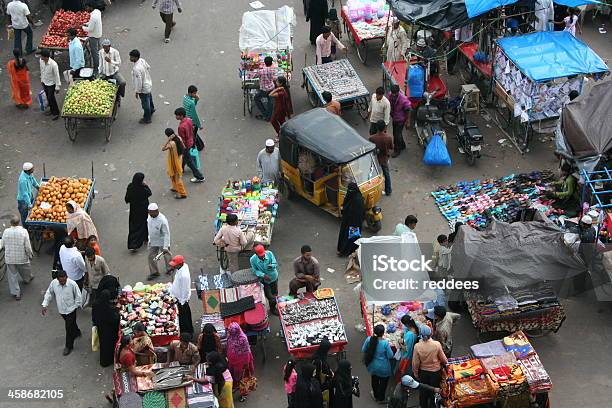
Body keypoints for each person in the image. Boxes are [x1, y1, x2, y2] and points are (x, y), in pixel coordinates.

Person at [41, 270, 82, 356]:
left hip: (71, 310)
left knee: (68, 327)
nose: (63, 282)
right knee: (70, 324)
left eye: (64, 280)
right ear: (57, 279)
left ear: (67, 277)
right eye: (61, 281)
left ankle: (68, 346)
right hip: (62, 310)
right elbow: (49, 293)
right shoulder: (54, 283)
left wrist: (76, 306)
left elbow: (78, 296)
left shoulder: (72, 284)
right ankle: (77, 332)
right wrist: (45, 305)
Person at [412, 325, 447, 408]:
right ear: (431, 333)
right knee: (434, 391)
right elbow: (444, 359)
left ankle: (423, 405)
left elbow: (415, 363)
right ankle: (433, 405)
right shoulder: (436, 344)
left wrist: (416, 373)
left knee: (423, 390)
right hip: (435, 372)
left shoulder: (417, 346)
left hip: (423, 373)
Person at [2, 215, 33, 301]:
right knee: (26, 268)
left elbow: (3, 244)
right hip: (22, 257)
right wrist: (30, 254)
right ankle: (27, 279)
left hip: (10, 258)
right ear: (19, 222)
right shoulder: (23, 231)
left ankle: (17, 293)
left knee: (13, 276)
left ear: (11, 223)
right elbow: (27, 245)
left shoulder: (6, 231)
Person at [361, 324, 393, 403]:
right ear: (383, 333)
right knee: (383, 383)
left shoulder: (369, 339)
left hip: (372, 365)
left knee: (374, 380)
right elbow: (390, 355)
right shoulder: (385, 343)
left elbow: (363, 349)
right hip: (384, 367)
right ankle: (381, 398)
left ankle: (375, 395)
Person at [175, 107, 205, 182]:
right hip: (191, 141)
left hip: (185, 145)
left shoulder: (181, 127)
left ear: (181, 116)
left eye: (177, 115)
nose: (176, 117)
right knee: (185, 157)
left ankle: (199, 176)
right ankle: (181, 168)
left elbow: (182, 139)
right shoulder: (189, 120)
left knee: (189, 162)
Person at [226, 322, 255, 400]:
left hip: (242, 364)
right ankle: (236, 387)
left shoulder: (243, 339)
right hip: (232, 362)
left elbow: (246, 352)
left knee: (243, 379)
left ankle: (244, 394)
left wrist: (246, 363)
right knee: (234, 377)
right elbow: (229, 347)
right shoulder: (230, 336)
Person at [92, 289, 120, 367]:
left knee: (103, 344)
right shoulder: (108, 308)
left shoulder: (95, 304)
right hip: (108, 330)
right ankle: (109, 360)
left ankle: (104, 361)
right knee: (109, 345)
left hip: (100, 328)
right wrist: (117, 309)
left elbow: (94, 316)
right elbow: (115, 319)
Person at [125, 172, 152, 251]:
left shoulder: (130, 186)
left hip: (134, 210)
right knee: (143, 223)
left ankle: (133, 243)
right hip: (143, 209)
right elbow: (149, 193)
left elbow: (127, 199)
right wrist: (146, 185)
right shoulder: (142, 188)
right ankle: (145, 238)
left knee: (134, 225)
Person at [337, 183, 365, 256]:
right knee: (345, 235)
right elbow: (345, 205)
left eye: (351, 190)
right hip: (347, 220)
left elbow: (358, 214)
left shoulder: (358, 200)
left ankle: (345, 252)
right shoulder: (351, 196)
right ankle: (343, 249)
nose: (349, 191)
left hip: (354, 223)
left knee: (350, 237)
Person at [250, 244, 279, 314]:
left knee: (275, 293)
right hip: (265, 281)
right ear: (256, 254)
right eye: (260, 256)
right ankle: (272, 309)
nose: (262, 256)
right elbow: (255, 270)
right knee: (270, 296)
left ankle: (274, 305)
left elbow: (275, 263)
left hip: (274, 277)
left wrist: (272, 266)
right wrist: (263, 275)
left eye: (263, 255)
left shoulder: (269, 253)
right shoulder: (252, 259)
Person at [169, 255, 194, 334]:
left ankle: (187, 332)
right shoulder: (182, 267)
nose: (173, 266)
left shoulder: (184, 276)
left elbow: (185, 290)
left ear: (180, 264)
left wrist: (182, 302)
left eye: (175, 264)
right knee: (183, 316)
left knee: (184, 317)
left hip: (182, 300)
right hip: (179, 297)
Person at [147, 203, 172, 279]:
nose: (150, 214)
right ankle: (154, 272)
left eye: (151, 212)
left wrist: (165, 246)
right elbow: (149, 228)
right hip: (153, 240)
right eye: (149, 212)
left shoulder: (162, 220)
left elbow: (166, 234)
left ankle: (170, 269)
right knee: (151, 256)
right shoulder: (150, 217)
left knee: (167, 255)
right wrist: (149, 239)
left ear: (156, 211)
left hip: (162, 240)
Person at [369, 120, 394, 196]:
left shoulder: (372, 138)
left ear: (377, 127)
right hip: (384, 158)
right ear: (384, 128)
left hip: (375, 159)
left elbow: (370, 149)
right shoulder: (389, 137)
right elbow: (391, 147)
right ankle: (388, 191)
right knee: (386, 174)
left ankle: (373, 191)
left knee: (373, 174)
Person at [130, 49, 154, 124]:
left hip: (143, 88)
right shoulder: (142, 60)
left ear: (135, 58)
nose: (130, 58)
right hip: (148, 83)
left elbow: (139, 82)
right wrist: (145, 75)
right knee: (149, 97)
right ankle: (152, 109)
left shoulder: (136, 68)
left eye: (131, 57)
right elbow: (148, 67)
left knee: (145, 103)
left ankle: (147, 118)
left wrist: (137, 91)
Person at [162, 128, 188, 199]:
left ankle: (183, 193)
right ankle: (175, 187)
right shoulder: (179, 138)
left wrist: (168, 140)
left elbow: (163, 149)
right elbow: (184, 146)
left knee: (177, 177)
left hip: (174, 161)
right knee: (173, 175)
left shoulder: (171, 143)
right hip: (179, 159)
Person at [387, 85, 411, 157]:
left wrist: (408, 121)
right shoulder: (390, 95)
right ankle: (402, 145)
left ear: (398, 92)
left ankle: (397, 150)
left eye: (395, 93)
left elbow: (409, 110)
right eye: (393, 93)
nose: (393, 95)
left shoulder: (403, 99)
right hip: (394, 117)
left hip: (401, 119)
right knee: (396, 133)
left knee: (397, 135)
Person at [39, 49, 61, 120]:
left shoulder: (53, 64)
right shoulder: (41, 61)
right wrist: (42, 80)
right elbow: (42, 71)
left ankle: (56, 113)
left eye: (42, 56)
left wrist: (57, 87)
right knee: (48, 97)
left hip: (51, 83)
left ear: (46, 57)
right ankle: (52, 110)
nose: (41, 57)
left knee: (51, 98)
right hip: (45, 82)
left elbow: (57, 76)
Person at [395, 315, 419, 381]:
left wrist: (400, 342)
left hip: (406, 356)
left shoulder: (409, 335)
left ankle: (403, 381)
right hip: (411, 354)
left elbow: (405, 349)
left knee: (403, 369)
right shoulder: (415, 327)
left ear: (407, 324)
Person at [16, 162, 39, 226]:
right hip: (23, 200)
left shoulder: (29, 174)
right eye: (32, 168)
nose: (33, 169)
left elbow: (33, 180)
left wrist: (38, 187)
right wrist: (29, 204)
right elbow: (25, 194)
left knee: (34, 210)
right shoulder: (22, 180)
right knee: (24, 216)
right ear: (28, 171)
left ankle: (33, 223)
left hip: (29, 195)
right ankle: (26, 228)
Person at [82, 1, 102, 74]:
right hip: (98, 34)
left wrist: (82, 27)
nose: (86, 9)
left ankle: (96, 69)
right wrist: (85, 24)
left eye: (87, 7)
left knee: (95, 53)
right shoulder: (97, 12)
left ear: (91, 7)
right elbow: (92, 23)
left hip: (93, 36)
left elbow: (90, 29)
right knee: (98, 51)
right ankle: (100, 66)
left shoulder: (93, 16)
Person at [313, 338, 334, 404]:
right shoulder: (320, 361)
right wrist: (330, 375)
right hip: (323, 385)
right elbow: (320, 373)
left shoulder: (317, 355)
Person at [254, 57, 276, 121]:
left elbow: (255, 76)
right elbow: (274, 78)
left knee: (256, 98)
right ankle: (268, 116)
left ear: (264, 63)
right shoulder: (272, 70)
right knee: (270, 102)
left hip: (263, 90)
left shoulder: (261, 71)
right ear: (271, 63)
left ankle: (265, 114)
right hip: (271, 88)